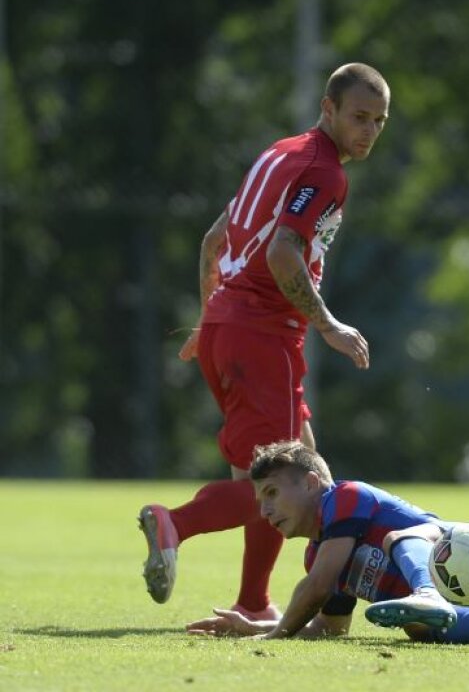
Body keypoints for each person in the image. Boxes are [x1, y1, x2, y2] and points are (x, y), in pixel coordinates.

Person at [138, 63, 390, 620]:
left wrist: (209, 322)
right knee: (285, 485)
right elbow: (281, 253)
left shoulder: (280, 153)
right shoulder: (324, 172)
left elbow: (212, 241)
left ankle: (254, 603)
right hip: (262, 336)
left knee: (303, 470)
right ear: (328, 109)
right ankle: (173, 522)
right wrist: (328, 324)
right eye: (357, 117)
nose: (367, 130)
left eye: (378, 120)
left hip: (232, 333)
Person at [184, 440, 469, 643]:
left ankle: (428, 593)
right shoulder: (319, 554)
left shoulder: (344, 497)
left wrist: (271, 636)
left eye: (271, 493)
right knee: (420, 627)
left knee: (403, 538)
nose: (265, 510)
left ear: (311, 484)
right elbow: (329, 626)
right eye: (260, 501)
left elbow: (316, 590)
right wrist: (253, 625)